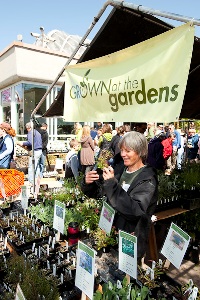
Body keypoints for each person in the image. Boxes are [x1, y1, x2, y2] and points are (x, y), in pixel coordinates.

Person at [81, 131, 158, 261]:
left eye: (128, 151)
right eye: (122, 150)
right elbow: (100, 192)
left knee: (126, 277)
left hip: (131, 236)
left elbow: (135, 211)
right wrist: (88, 183)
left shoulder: (148, 179)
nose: (123, 154)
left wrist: (112, 184)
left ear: (140, 152)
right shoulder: (120, 168)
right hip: (110, 232)